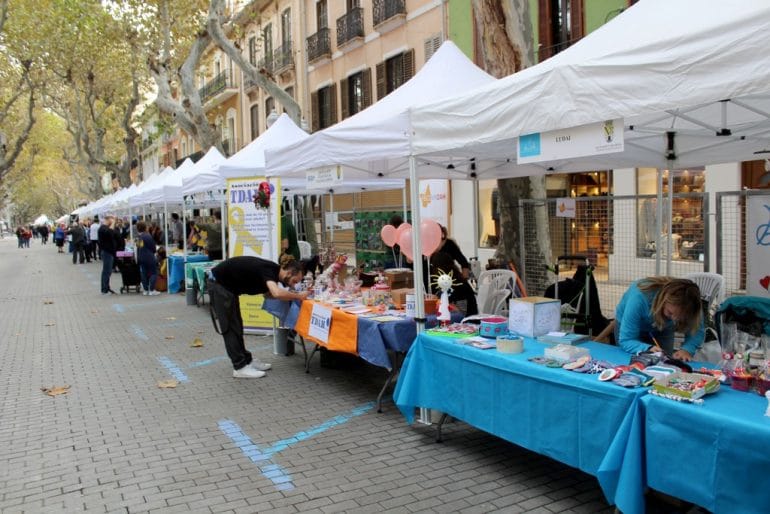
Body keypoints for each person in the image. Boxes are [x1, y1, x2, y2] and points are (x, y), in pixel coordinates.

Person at [207, 256, 308, 378]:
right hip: (220, 286)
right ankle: (239, 368)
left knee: (237, 326)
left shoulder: (273, 275)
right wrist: (297, 296)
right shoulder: (270, 271)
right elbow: (276, 293)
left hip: (227, 289)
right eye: (294, 281)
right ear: (289, 272)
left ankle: (247, 361)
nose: (294, 285)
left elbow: (269, 295)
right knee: (231, 329)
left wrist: (293, 295)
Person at [615, 276, 704, 361]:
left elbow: (696, 331)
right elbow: (626, 340)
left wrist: (687, 349)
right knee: (629, 360)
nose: (674, 319)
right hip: (629, 325)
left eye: (680, 317)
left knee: (665, 361)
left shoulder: (692, 304)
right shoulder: (639, 298)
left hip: (664, 327)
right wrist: (647, 348)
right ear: (664, 299)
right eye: (670, 313)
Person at [135, 221, 160, 296]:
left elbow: (138, 247)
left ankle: (145, 290)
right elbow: (153, 248)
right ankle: (152, 290)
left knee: (144, 273)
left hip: (141, 257)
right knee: (154, 273)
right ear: (145, 227)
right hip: (149, 257)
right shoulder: (148, 236)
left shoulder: (139, 237)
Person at [98, 214, 118, 294]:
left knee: (108, 271)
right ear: (108, 219)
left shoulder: (105, 228)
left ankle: (106, 287)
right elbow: (110, 232)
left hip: (109, 252)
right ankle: (104, 288)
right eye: (112, 219)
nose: (113, 221)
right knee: (107, 271)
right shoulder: (102, 228)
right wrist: (113, 222)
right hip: (107, 252)